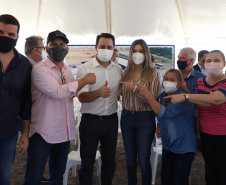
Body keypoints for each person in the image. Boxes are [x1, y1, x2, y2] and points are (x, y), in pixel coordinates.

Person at [23, 30, 96, 185]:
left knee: (58, 176)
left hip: (63, 133)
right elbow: (59, 92)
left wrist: (95, 91)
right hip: (43, 133)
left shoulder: (67, 71)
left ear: (67, 49)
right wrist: (84, 80)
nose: (58, 47)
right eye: (53, 44)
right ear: (46, 48)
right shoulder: (39, 69)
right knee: (33, 178)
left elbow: (72, 92)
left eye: (62, 44)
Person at [165, 50, 226, 185]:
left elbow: (215, 99)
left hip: (223, 135)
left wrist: (185, 96)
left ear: (224, 64)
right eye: (208, 61)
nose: (211, 64)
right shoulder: (200, 82)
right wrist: (198, 131)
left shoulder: (225, 82)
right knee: (210, 169)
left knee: (222, 171)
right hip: (205, 133)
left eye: (216, 61)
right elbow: (199, 104)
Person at [76, 33, 123, 185]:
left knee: (109, 162)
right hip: (90, 121)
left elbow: (121, 93)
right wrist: (98, 93)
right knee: (87, 163)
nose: (105, 49)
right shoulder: (85, 69)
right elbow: (81, 97)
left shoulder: (118, 70)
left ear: (114, 49)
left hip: (111, 120)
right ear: (96, 48)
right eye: (102, 46)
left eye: (109, 47)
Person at [137, 69, 197, 185]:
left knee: (179, 179)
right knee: (166, 177)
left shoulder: (183, 98)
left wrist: (148, 95)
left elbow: (165, 113)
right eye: (166, 79)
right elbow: (165, 116)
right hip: (169, 145)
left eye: (172, 80)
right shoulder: (163, 96)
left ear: (180, 83)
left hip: (183, 147)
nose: (168, 82)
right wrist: (159, 125)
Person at [119, 39, 160, 185]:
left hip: (145, 119)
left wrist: (135, 90)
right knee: (130, 159)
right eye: (135, 51)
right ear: (130, 53)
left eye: (141, 51)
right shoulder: (126, 72)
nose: (137, 54)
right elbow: (121, 92)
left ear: (146, 53)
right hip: (126, 117)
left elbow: (153, 99)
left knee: (143, 159)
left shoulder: (154, 73)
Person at [0, 14, 32, 185]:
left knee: (3, 177)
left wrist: (25, 133)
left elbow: (26, 102)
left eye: (10, 34)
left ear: (17, 37)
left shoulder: (24, 65)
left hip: (7, 134)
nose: (5, 36)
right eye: (1, 32)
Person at [24, 35, 49, 183]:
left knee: (34, 150)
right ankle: (33, 177)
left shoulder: (30, 64)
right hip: (29, 114)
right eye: (43, 48)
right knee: (34, 149)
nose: (45, 51)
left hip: (30, 113)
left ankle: (37, 175)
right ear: (35, 50)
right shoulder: (29, 66)